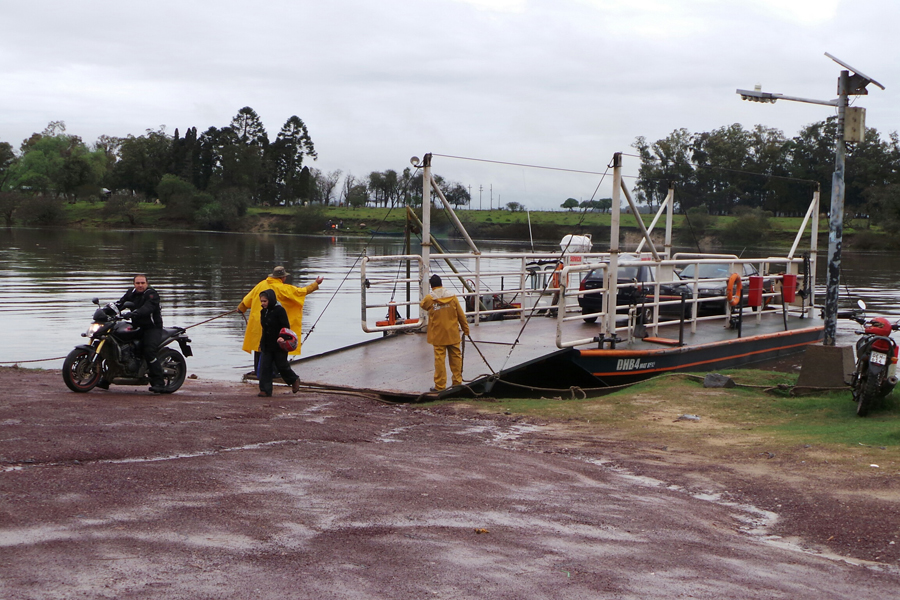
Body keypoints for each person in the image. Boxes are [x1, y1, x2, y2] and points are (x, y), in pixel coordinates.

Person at [237, 266, 323, 376]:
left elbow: (246, 300)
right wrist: (315, 284)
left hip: (258, 324)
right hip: (272, 326)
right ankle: (272, 373)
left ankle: (259, 372)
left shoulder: (261, 285)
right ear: (282, 278)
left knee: (259, 349)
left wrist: (241, 308)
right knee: (274, 349)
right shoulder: (283, 288)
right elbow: (301, 292)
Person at [98, 274, 166, 393]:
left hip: (152, 328)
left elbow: (148, 308)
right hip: (137, 326)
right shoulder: (131, 293)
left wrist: (134, 313)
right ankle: (106, 379)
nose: (140, 285)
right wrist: (104, 311)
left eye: (142, 283)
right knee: (114, 343)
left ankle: (159, 383)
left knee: (149, 351)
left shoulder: (151, 294)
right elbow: (120, 304)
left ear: (147, 283)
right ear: (134, 284)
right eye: (137, 283)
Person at [420, 274, 470, 391]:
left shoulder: (430, 298)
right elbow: (460, 315)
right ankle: (457, 382)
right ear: (441, 283)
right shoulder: (452, 297)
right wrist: (466, 329)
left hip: (438, 335)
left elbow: (423, 305)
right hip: (453, 333)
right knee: (456, 357)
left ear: (432, 286)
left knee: (440, 360)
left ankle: (440, 386)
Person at [256, 289, 301, 397]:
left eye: (265, 301)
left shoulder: (280, 310)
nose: (262, 303)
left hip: (279, 344)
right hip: (267, 344)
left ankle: (294, 379)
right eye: (261, 301)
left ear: (270, 300)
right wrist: (261, 344)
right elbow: (264, 329)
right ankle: (265, 390)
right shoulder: (263, 312)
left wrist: (283, 337)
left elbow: (286, 327)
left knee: (281, 365)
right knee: (265, 367)